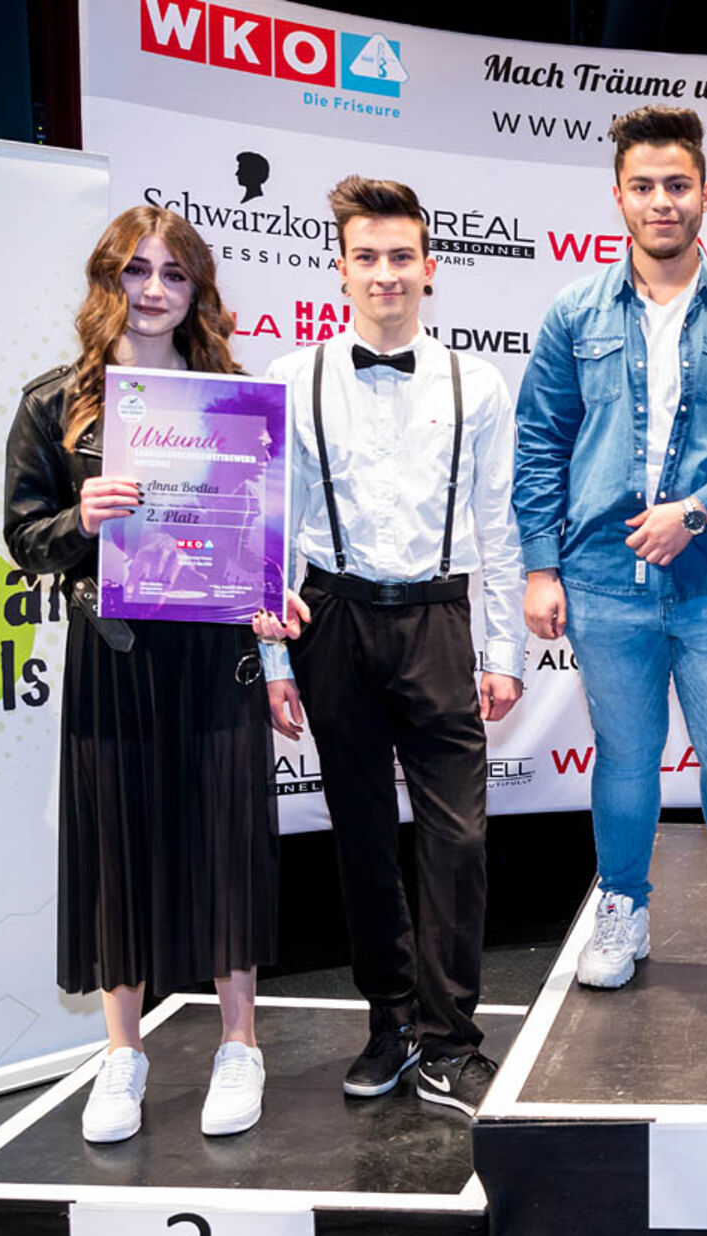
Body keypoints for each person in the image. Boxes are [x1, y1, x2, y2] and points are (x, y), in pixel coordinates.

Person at [514, 105, 707, 989]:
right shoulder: (575, 311)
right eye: (644, 186)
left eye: (677, 185)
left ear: (705, 196)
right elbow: (540, 441)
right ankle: (621, 909)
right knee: (623, 758)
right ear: (618, 197)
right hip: (603, 578)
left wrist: (694, 511)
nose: (662, 202)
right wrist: (540, 565)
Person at [252, 176, 526, 1117]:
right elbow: (273, 524)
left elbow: (499, 524)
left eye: (401, 256)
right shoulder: (292, 377)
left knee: (459, 839)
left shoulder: (476, 383)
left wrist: (503, 651)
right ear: (340, 270)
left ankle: (452, 1041)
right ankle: (391, 1023)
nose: (385, 274)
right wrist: (277, 661)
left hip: (439, 619)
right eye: (366, 257)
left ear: (430, 267)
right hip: (330, 618)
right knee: (362, 836)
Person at [3, 206, 277, 1143]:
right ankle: (123, 1054)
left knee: (227, 841)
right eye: (136, 270)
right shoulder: (55, 405)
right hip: (113, 659)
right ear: (107, 280)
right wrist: (80, 519)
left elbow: (264, 532)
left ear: (197, 291)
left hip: (216, 655)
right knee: (117, 845)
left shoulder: (235, 399)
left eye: (174, 274)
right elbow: (23, 538)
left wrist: (270, 598)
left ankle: (240, 1043)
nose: (153, 290)